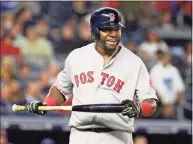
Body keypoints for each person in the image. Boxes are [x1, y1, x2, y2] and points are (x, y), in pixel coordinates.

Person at [25, 7, 158, 144]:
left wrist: (140, 107)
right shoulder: (77, 57)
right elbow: (61, 90)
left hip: (117, 137)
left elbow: (151, 102)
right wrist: (46, 105)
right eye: (107, 29)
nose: (113, 34)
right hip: (82, 136)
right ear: (94, 31)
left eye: (116, 29)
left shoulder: (134, 62)